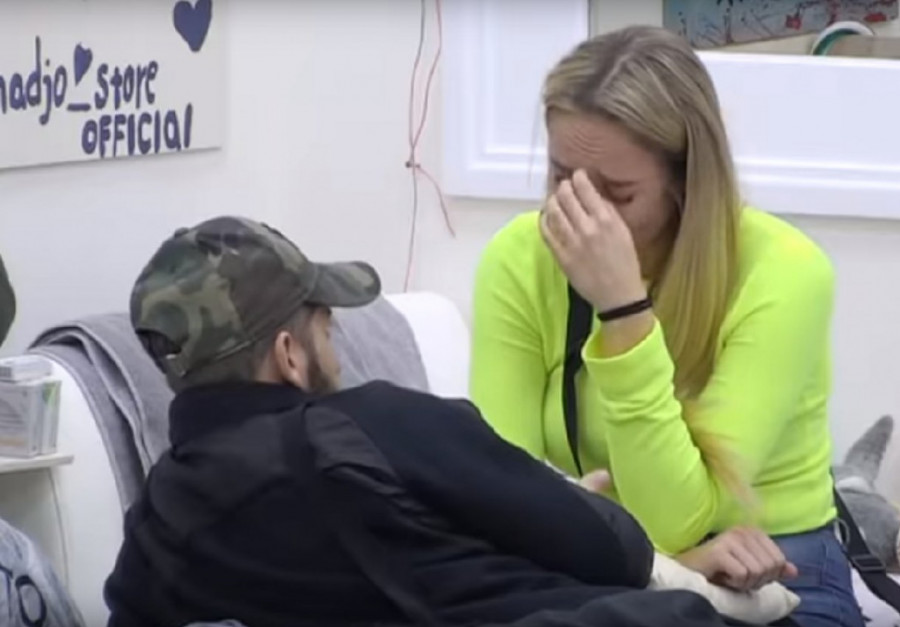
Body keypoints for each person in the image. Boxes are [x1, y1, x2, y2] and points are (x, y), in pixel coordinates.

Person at [104, 216, 757, 627]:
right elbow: (609, 551)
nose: (337, 351)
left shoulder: (157, 527)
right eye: (325, 328)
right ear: (289, 354)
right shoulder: (375, 423)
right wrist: (568, 505)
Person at [469, 25, 862, 627]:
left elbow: (679, 516)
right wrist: (666, 564)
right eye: (560, 178)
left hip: (776, 568)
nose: (581, 215)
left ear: (685, 182)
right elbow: (500, 495)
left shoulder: (787, 272)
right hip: (599, 564)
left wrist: (622, 311)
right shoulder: (518, 258)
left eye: (618, 194)